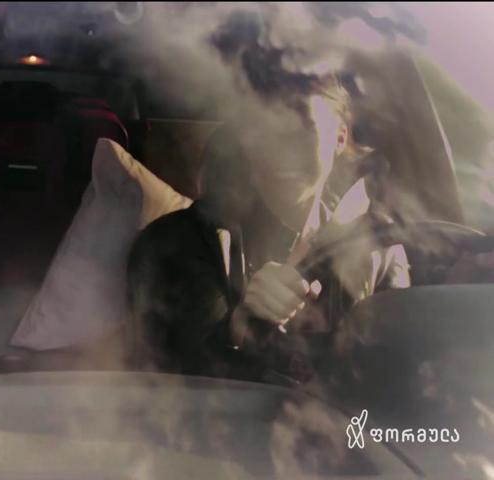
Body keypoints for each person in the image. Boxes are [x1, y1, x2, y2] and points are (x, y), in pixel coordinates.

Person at [126, 75, 409, 384]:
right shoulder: (174, 244)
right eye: (261, 128)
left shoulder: (379, 250)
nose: (279, 150)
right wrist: (235, 330)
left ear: (340, 138)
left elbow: (406, 376)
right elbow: (163, 386)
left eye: (302, 128)